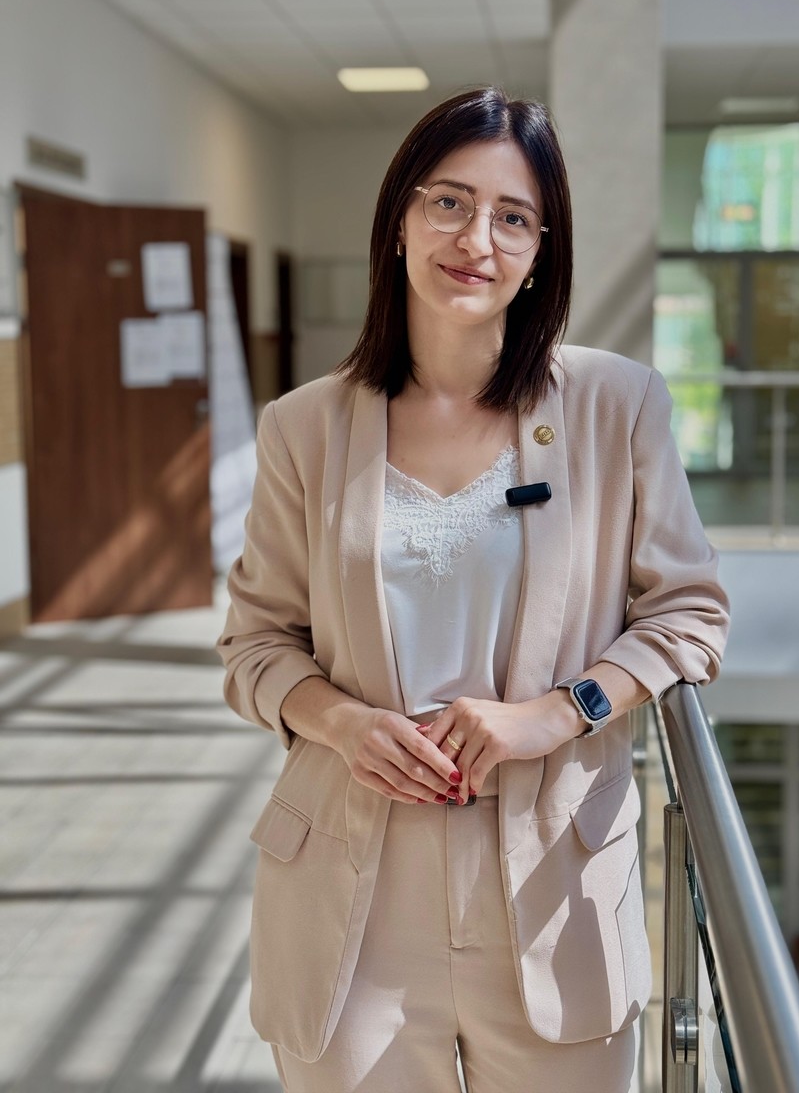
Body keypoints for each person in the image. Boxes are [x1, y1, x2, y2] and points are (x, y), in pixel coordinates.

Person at [217, 86, 729, 1093]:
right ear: (400, 222)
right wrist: (341, 725)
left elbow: (690, 614)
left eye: (513, 217)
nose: (476, 240)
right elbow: (256, 646)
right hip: (349, 898)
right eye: (449, 202)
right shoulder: (303, 427)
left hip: (553, 893)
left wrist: (561, 711)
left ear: (541, 252)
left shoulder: (616, 405)